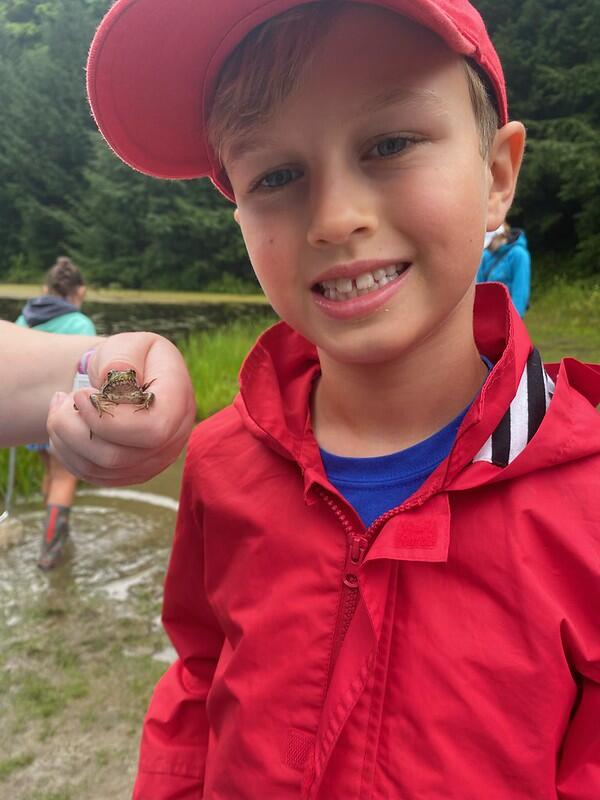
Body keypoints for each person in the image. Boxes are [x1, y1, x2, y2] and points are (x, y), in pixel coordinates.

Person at [87, 1, 600, 798]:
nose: (333, 219)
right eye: (277, 176)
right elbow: (199, 681)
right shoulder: (221, 464)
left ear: (497, 176)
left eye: (390, 144)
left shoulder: (588, 497)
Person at [0, 321, 196, 485]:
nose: (122, 375)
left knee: (56, 477)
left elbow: (150, 396)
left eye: (130, 374)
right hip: (103, 400)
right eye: (113, 374)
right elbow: (94, 397)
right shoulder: (104, 393)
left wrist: (98, 356)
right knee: (58, 478)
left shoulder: (137, 392)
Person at [15, 257, 98, 567]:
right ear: (80, 291)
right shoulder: (81, 324)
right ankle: (50, 553)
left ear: (45, 289)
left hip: (29, 416)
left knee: (50, 474)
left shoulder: (23, 320)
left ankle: (53, 534)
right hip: (63, 414)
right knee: (65, 477)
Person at [477, 220, 531, 316]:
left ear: (500, 235)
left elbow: (520, 294)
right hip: (487, 317)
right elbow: (479, 290)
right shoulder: (485, 256)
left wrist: (512, 323)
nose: (487, 247)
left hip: (506, 318)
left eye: (490, 243)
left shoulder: (519, 255)